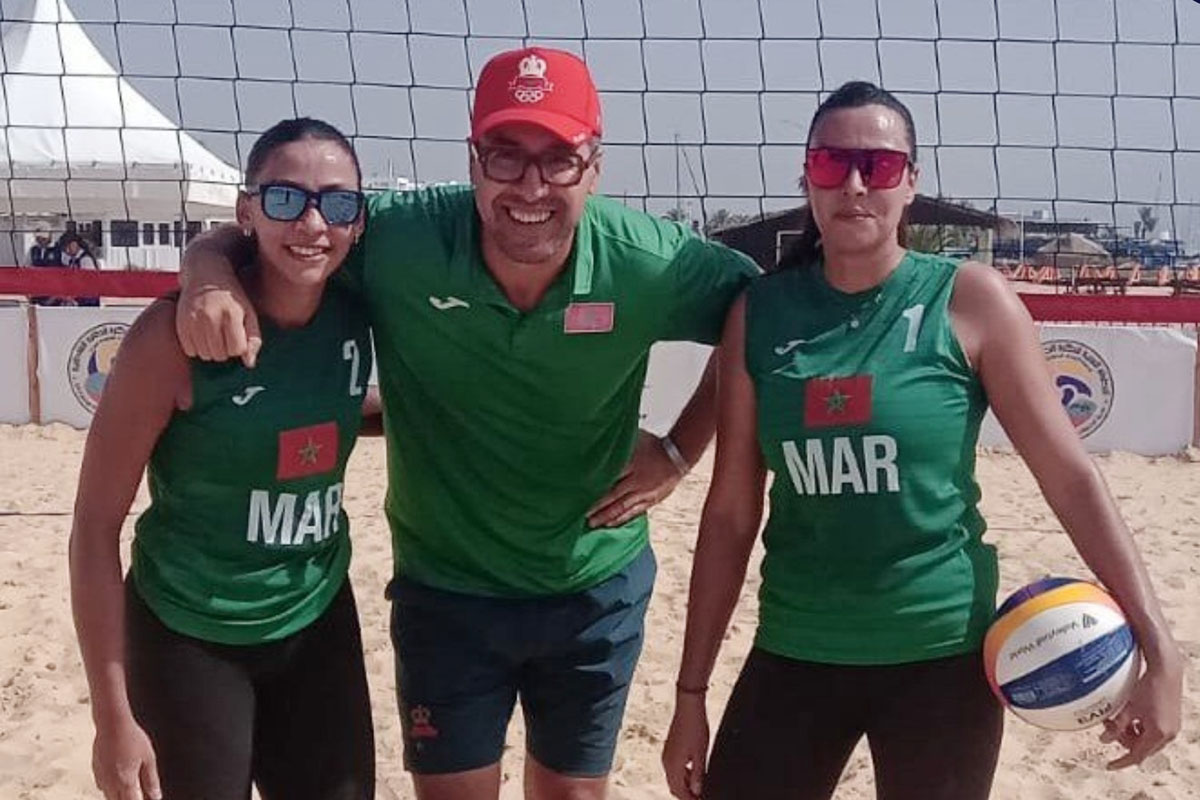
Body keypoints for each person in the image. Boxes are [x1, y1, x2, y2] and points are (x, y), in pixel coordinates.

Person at [175, 46, 758, 800]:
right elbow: (278, 221)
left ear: (596, 165)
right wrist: (207, 270)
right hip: (448, 589)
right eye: (506, 156)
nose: (531, 185)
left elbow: (760, 315)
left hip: (592, 582)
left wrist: (680, 450)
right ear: (474, 160)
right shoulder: (402, 238)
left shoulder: (648, 260)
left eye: (559, 159)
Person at [661, 81, 1184, 800]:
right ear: (805, 177)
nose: (853, 185)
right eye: (831, 164)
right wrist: (690, 696)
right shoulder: (761, 313)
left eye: (876, 167)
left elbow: (1070, 478)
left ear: (911, 182)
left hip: (944, 659)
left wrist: (1161, 650)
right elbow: (729, 516)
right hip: (798, 646)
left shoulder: (969, 300)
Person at [70, 117, 377, 800]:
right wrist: (111, 719)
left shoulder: (360, 302)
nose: (312, 222)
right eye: (285, 199)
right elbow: (93, 527)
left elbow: (337, 406)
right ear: (247, 210)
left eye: (337, 202)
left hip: (316, 612)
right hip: (189, 630)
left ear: (359, 220)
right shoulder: (171, 338)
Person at [60, 232, 101, 306]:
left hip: (88, 301)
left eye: (67, 247)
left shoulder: (85, 260)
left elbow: (89, 282)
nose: (66, 251)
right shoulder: (72, 260)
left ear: (74, 244)